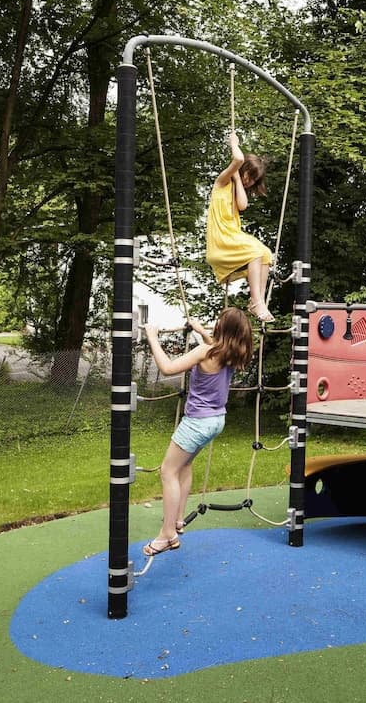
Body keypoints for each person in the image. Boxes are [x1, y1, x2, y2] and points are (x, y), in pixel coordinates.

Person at [141, 307, 254, 556]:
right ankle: (178, 519)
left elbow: (168, 368)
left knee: (168, 471)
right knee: (185, 465)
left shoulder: (206, 351)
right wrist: (202, 331)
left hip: (197, 423)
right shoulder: (234, 353)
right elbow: (215, 345)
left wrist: (152, 336)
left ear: (221, 327)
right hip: (216, 420)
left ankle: (166, 534)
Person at [205, 132, 275, 322]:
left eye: (253, 180)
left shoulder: (236, 188)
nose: (248, 181)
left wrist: (238, 180)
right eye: (248, 175)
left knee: (266, 254)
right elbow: (238, 158)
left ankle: (257, 301)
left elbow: (243, 205)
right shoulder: (222, 182)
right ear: (242, 169)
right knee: (255, 252)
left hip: (231, 237)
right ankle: (257, 301)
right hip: (221, 240)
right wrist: (234, 143)